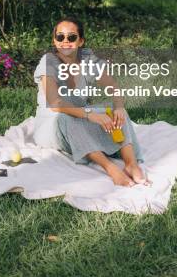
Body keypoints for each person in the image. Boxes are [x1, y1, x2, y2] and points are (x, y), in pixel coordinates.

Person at [33, 16, 150, 187]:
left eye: (71, 37)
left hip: (80, 115)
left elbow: (113, 86)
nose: (65, 41)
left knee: (118, 113)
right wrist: (90, 115)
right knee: (67, 119)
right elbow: (56, 103)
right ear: (54, 40)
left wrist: (118, 107)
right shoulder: (48, 61)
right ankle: (111, 168)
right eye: (60, 37)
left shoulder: (88, 58)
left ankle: (131, 164)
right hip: (52, 122)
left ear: (80, 41)